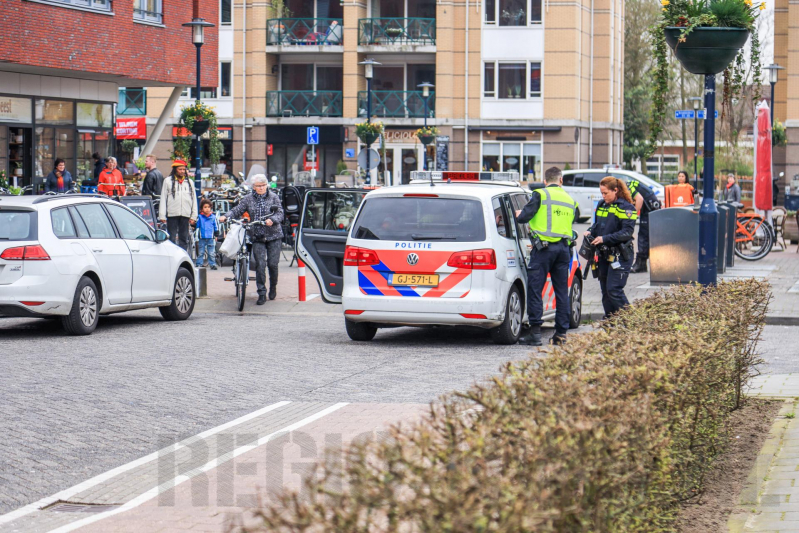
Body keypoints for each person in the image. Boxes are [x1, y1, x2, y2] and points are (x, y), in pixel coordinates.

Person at [514, 166, 577, 346]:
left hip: (543, 250)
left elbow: (523, 217)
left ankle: (535, 334)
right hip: (563, 250)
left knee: (535, 289)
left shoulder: (540, 194)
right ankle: (561, 334)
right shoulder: (570, 200)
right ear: (561, 180)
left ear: (545, 181)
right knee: (562, 292)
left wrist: (519, 214)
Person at [219, 174, 284, 305]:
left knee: (273, 264)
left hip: (274, 235)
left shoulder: (273, 197)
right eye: (258, 186)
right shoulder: (248, 199)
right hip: (257, 235)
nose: (261, 188)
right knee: (260, 264)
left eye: (263, 185)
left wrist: (272, 219)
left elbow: (280, 213)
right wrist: (226, 216)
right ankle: (262, 292)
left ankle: (273, 287)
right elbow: (237, 210)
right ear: (254, 187)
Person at [584, 176, 637, 319]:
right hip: (604, 255)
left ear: (616, 190)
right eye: (601, 193)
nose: (603, 196)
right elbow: (597, 225)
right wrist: (590, 231)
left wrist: (604, 239)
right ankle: (610, 322)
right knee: (606, 292)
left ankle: (632, 321)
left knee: (614, 290)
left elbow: (627, 233)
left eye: (606, 193)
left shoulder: (627, 208)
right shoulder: (602, 204)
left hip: (620, 255)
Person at [159, 159, 198, 251]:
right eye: (180, 169)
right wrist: (162, 215)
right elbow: (163, 198)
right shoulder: (167, 181)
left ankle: (183, 256)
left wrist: (194, 216)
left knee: (184, 238)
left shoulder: (190, 182)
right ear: (175, 169)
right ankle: (172, 255)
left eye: (184, 169)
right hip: (172, 213)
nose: (182, 171)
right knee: (171, 238)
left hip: (185, 213)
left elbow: (194, 200)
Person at [627, 177, 661, 273]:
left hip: (649, 207)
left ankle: (641, 264)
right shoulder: (630, 185)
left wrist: (633, 216)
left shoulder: (628, 188)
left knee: (643, 235)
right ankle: (642, 263)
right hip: (649, 206)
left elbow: (639, 199)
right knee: (644, 235)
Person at [195, 199, 219, 270]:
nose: (207, 209)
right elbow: (197, 225)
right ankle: (199, 264)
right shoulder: (200, 217)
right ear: (202, 209)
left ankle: (212, 264)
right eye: (205, 207)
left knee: (211, 252)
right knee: (201, 252)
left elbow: (216, 226)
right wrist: (194, 225)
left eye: (208, 207)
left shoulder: (213, 217)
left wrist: (216, 232)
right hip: (202, 237)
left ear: (211, 208)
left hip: (210, 237)